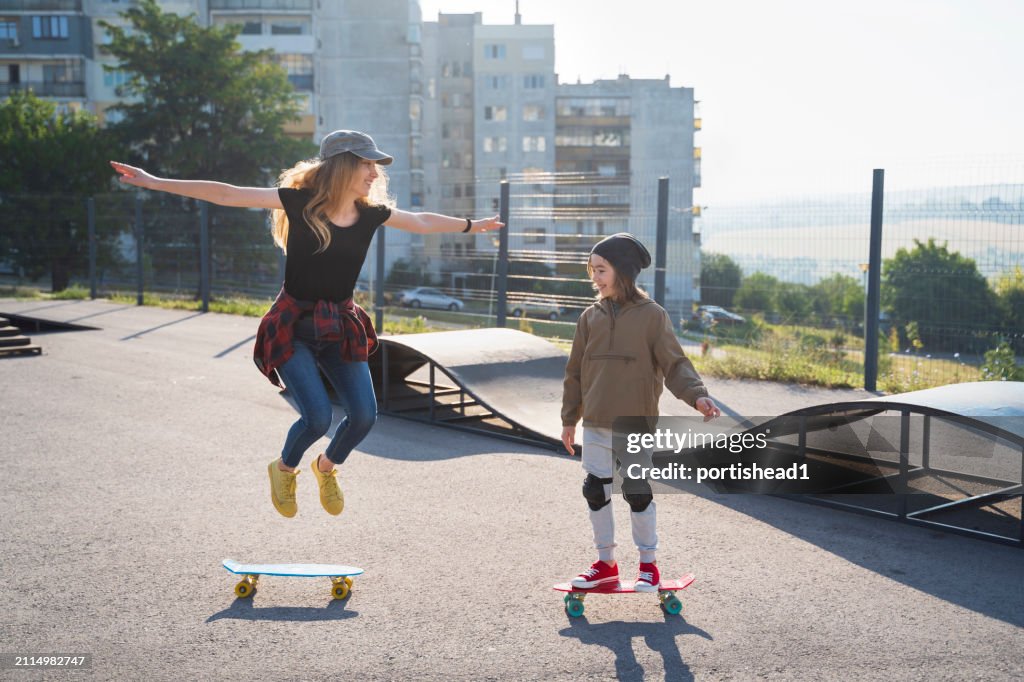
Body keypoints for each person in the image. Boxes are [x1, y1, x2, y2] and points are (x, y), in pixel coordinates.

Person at [111, 130, 504, 518]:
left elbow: (419, 221)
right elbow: (228, 193)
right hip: (294, 326)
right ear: (343, 167)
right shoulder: (299, 203)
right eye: (366, 164)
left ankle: (325, 468)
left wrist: (471, 225)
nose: (374, 173)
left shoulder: (370, 214)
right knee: (317, 417)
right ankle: (284, 469)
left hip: (340, 326)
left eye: (375, 166)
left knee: (365, 416)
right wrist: (153, 181)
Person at [560, 233, 721, 592]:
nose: (595, 278)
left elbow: (675, 362)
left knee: (636, 490)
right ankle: (605, 564)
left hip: (634, 421)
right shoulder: (590, 317)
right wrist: (569, 419)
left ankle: (649, 566)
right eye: (592, 271)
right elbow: (574, 372)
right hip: (597, 421)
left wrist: (697, 396)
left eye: (601, 270)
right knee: (595, 490)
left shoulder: (652, 316)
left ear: (624, 271)